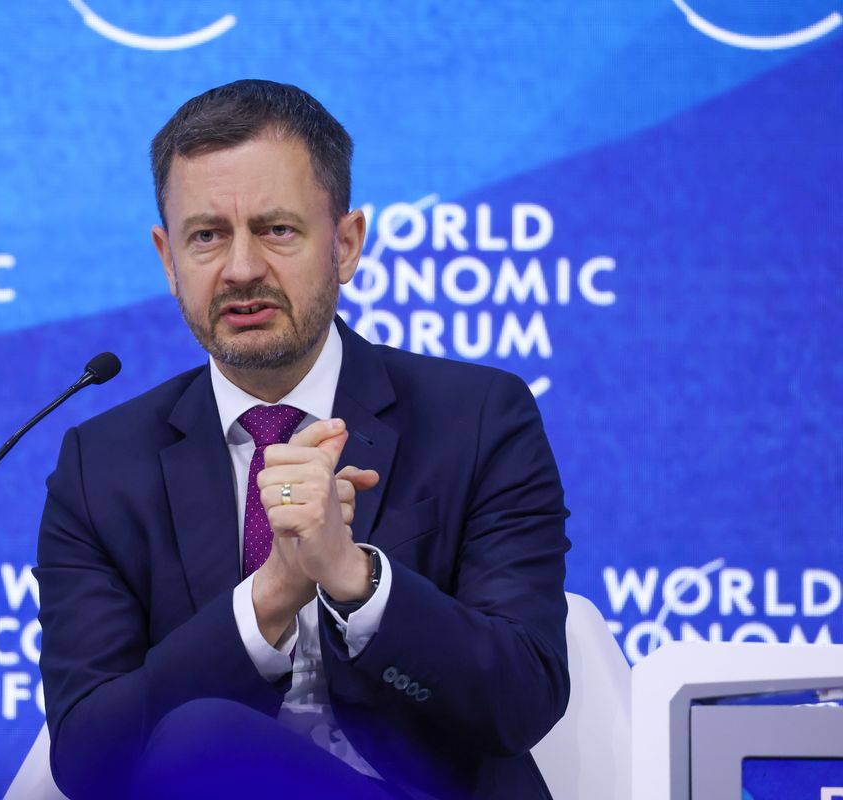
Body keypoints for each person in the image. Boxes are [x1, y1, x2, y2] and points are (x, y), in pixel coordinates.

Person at [35, 79, 570, 800]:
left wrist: (357, 580)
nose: (242, 268)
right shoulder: (102, 468)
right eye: (207, 236)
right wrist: (271, 597)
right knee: (201, 742)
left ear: (346, 243)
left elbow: (523, 696)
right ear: (167, 258)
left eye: (277, 229)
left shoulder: (478, 418)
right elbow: (88, 758)